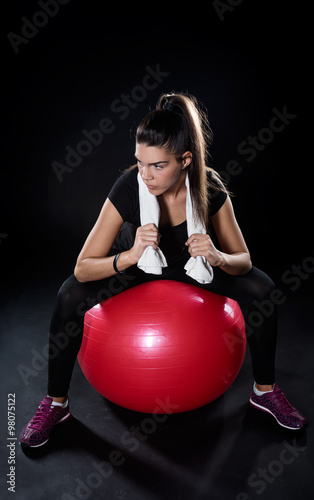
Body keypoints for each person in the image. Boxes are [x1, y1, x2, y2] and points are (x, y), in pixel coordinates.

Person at [19, 92, 307, 448]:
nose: (146, 175)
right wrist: (129, 255)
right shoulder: (128, 187)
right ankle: (56, 403)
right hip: (139, 265)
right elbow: (82, 268)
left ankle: (263, 392)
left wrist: (217, 256)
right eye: (140, 162)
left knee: (262, 288)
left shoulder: (210, 189)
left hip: (191, 268)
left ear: (185, 160)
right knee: (68, 295)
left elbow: (243, 260)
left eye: (158, 165)